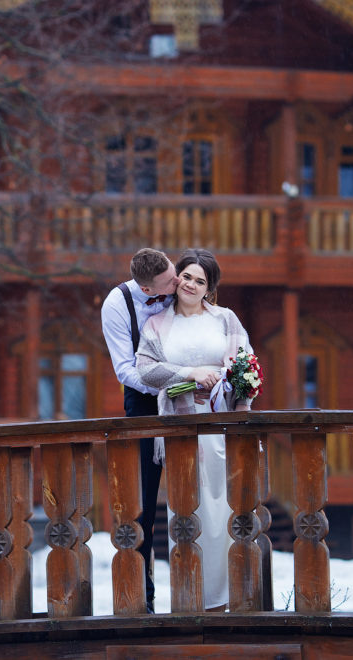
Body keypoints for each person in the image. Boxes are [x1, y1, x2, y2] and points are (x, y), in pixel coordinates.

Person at [135, 247, 253, 612]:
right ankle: (191, 598)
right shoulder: (157, 324)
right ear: (177, 278)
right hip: (180, 428)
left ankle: (229, 596)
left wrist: (230, 391)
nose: (190, 284)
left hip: (221, 424)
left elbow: (245, 364)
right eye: (186, 276)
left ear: (209, 288)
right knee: (188, 510)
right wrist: (189, 375)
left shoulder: (225, 320)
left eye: (200, 281)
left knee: (225, 509)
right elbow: (146, 370)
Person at [100, 247, 178, 612]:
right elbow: (125, 370)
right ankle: (141, 595)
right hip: (146, 402)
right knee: (143, 501)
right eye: (168, 282)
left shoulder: (180, 285)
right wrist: (171, 386)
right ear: (148, 290)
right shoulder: (117, 306)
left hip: (197, 398)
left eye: (175, 273)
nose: (177, 283)